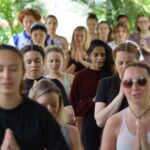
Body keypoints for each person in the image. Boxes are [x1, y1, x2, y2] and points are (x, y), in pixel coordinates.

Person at [0, 44, 69, 150]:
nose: (6, 75)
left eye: (13, 69)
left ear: (22, 72)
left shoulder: (41, 114)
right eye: (0, 69)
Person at [70, 40, 114, 150]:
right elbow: (73, 107)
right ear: (89, 55)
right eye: (95, 55)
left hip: (111, 120)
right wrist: (93, 101)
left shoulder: (112, 74)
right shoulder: (80, 76)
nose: (100, 58)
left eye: (103, 55)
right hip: (89, 122)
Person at [101, 62, 150, 150]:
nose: (135, 87)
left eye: (142, 81)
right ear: (122, 87)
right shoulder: (114, 122)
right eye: (128, 83)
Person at [20, 44, 75, 124]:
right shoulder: (17, 88)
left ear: (43, 62)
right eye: (29, 62)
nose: (33, 65)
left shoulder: (54, 83)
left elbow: (71, 117)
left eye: (37, 61)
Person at [95, 42, 140, 128]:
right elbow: (100, 121)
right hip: (111, 138)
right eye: (120, 63)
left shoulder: (145, 83)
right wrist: (121, 94)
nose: (124, 66)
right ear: (115, 63)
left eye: (129, 63)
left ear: (137, 63)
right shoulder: (104, 83)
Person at [29, 79, 81, 150]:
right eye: (43, 106)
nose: (49, 110)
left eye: (54, 105)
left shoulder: (72, 132)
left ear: (59, 104)